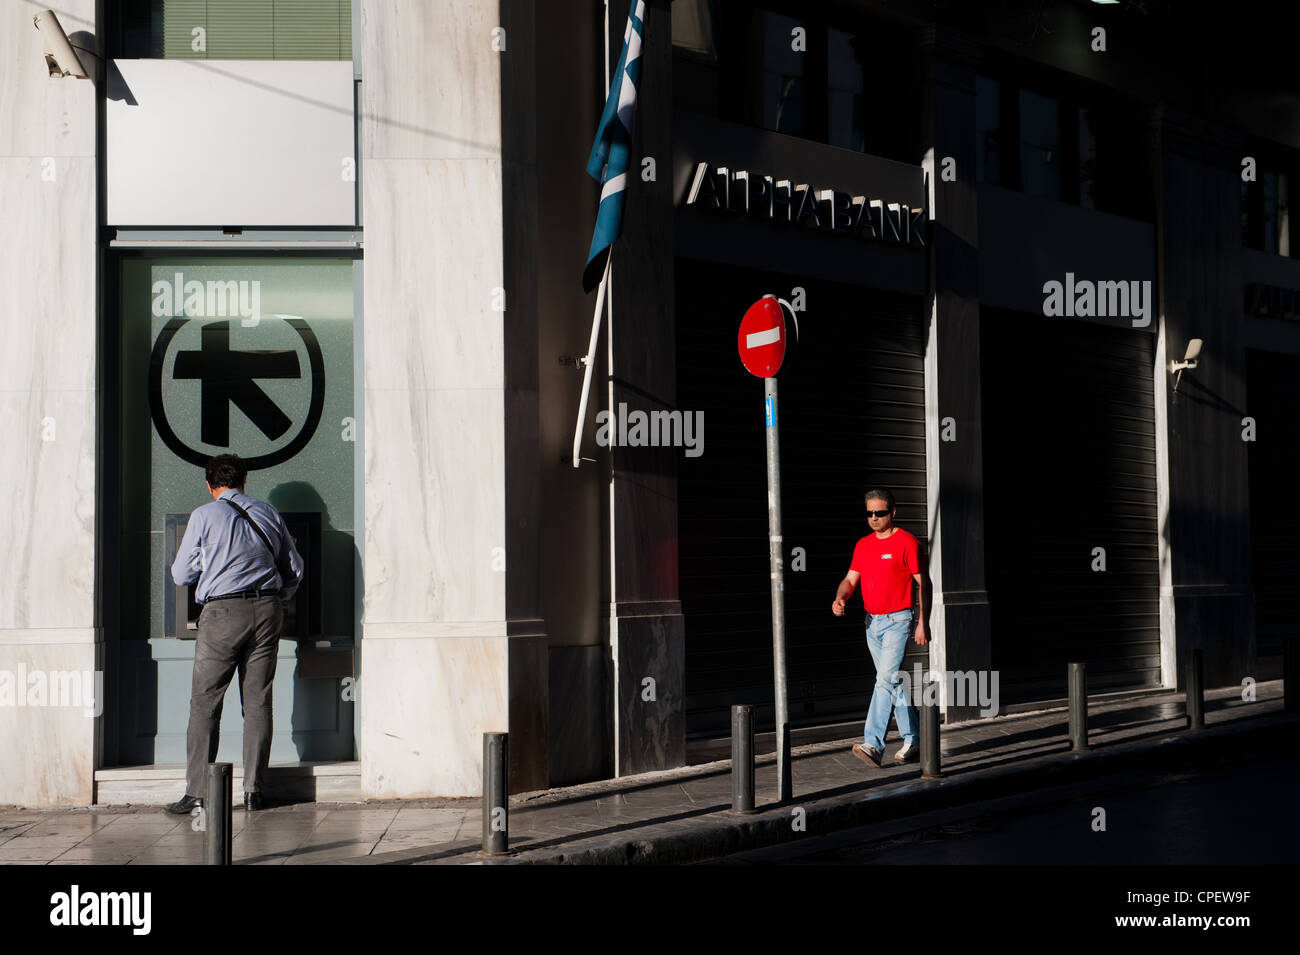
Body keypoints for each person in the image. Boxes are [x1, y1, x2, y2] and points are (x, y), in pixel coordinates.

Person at [164, 454, 304, 814]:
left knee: (205, 702)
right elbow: (295, 569)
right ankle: (254, 791)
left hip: (223, 612)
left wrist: (208, 565)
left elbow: (181, 574)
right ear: (244, 482)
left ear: (210, 485)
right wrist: (276, 598)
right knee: (257, 703)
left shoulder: (203, 515)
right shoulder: (268, 513)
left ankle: (198, 792)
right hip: (268, 610)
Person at [831, 488, 930, 768]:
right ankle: (914, 740)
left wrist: (924, 621)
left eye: (880, 513)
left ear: (893, 513)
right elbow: (850, 580)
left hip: (899, 620)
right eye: (870, 513)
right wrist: (841, 597)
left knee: (884, 680)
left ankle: (873, 744)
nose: (874, 518)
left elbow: (926, 583)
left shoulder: (907, 543)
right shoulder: (863, 545)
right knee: (893, 681)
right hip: (871, 623)